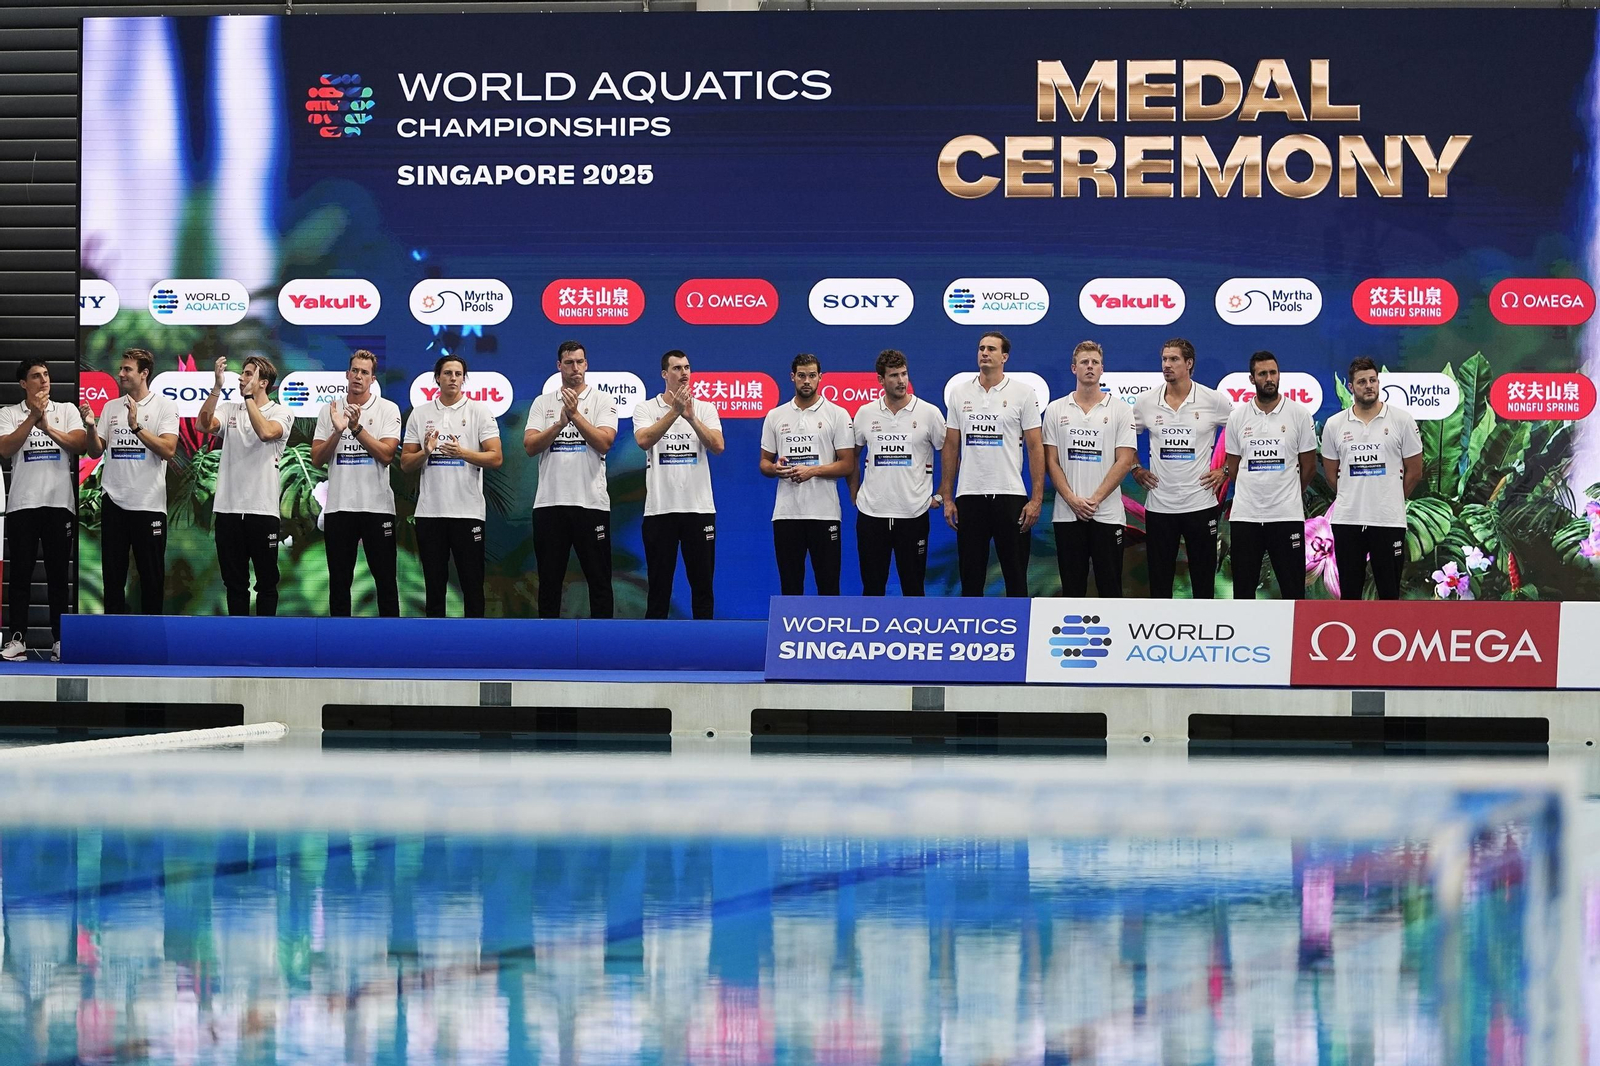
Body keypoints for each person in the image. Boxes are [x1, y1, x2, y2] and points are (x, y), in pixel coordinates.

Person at [938, 331, 1044, 597]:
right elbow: (951, 446)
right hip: (970, 496)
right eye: (981, 348)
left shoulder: (1023, 393)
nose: (984, 353)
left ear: (1004, 356)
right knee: (971, 578)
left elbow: (1035, 447)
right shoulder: (960, 393)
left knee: (1016, 578)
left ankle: (1019, 634)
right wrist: (948, 497)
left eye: (992, 349)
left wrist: (1037, 499)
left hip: (1010, 495)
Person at [400, 354, 503, 617]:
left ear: (464, 379)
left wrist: (462, 453)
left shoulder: (479, 411)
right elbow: (406, 463)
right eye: (447, 373)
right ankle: (434, 645)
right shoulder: (421, 414)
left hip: (467, 513)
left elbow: (495, 457)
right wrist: (425, 451)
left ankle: (476, 641)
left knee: (472, 584)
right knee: (434, 586)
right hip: (430, 514)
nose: (453, 378)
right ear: (437, 378)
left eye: (458, 374)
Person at [1131, 338, 1234, 598]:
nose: (1167, 365)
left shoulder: (1213, 400)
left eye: (1174, 359)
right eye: (1164, 359)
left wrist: (1226, 471)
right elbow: (1122, 437)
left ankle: (1204, 631)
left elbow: (1244, 433)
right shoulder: (1145, 402)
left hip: (1200, 505)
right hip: (1159, 507)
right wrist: (1135, 467)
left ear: (1189, 363)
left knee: (1203, 582)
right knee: (1160, 582)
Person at [0, 357, 86, 660]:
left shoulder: (66, 410)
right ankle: (18, 639)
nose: (44, 380)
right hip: (23, 504)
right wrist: (31, 417)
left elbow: (80, 444)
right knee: (20, 575)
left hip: (59, 504)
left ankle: (60, 641)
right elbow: (5, 448)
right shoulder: (9, 413)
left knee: (58, 576)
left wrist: (47, 427)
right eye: (36, 376)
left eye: (47, 375)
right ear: (24, 384)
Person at [82, 348, 179, 615]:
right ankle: (112, 639)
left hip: (149, 504)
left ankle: (152, 641)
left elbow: (168, 450)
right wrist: (91, 426)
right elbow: (95, 451)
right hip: (113, 502)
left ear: (144, 373)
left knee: (151, 578)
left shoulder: (165, 407)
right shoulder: (111, 407)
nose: (121, 373)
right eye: (121, 368)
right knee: (113, 579)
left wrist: (136, 427)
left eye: (127, 369)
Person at [525, 340, 618, 618]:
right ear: (559, 366)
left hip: (591, 504)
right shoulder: (543, 403)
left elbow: (604, 442)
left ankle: (602, 644)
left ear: (586, 364)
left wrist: (575, 415)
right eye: (569, 362)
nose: (575, 368)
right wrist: (559, 423)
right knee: (549, 581)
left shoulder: (603, 400)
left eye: (579, 362)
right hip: (550, 504)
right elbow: (530, 446)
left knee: (599, 580)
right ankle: (548, 644)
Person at [197, 355, 294, 616]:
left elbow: (265, 433)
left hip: (262, 512)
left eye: (249, 374)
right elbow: (202, 424)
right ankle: (238, 642)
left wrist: (249, 399)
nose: (241, 378)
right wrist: (216, 388)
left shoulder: (281, 412)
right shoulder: (229, 409)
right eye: (242, 373)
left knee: (266, 583)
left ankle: (266, 641)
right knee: (234, 583)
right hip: (228, 511)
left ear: (263, 383)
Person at [1319, 357, 1423, 600]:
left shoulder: (1401, 420)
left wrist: (1393, 499)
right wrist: (1352, 496)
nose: (1369, 386)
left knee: (1389, 593)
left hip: (1388, 521)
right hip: (1348, 521)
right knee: (1350, 595)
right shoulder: (1335, 424)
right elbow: (1331, 473)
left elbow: (1415, 470)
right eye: (1362, 381)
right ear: (1351, 387)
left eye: (1373, 380)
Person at [310, 349, 402, 617]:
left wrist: (357, 429)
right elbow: (317, 458)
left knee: (385, 581)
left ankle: (390, 642)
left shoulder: (387, 409)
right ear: (347, 374)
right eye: (355, 371)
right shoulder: (330, 410)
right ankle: (338, 646)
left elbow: (386, 455)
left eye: (365, 372)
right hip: (339, 508)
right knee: (339, 583)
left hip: (377, 509)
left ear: (373, 379)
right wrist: (338, 431)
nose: (358, 377)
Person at [1041, 341, 1136, 597]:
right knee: (1072, 590)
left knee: (1110, 588)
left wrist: (1093, 500)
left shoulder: (1120, 409)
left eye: (1095, 362)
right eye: (1084, 362)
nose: (1090, 367)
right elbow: (1051, 461)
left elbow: (1125, 460)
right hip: (1067, 514)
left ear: (1102, 369)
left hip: (1106, 514)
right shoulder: (1055, 409)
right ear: (1074, 368)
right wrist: (1073, 500)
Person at [633, 349, 723, 618]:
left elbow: (718, 446)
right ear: (664, 374)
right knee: (659, 587)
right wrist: (675, 412)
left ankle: (705, 645)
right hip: (660, 511)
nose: (683, 373)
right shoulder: (645, 408)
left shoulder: (705, 409)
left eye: (686, 367)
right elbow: (644, 440)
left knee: (702, 585)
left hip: (699, 510)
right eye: (676, 368)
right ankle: (655, 650)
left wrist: (692, 417)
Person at [850, 349, 945, 596]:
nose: (901, 380)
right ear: (881, 380)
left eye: (904, 374)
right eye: (894, 375)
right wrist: (855, 494)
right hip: (872, 514)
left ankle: (915, 635)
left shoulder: (929, 412)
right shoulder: (865, 413)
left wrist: (943, 492)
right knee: (872, 588)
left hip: (913, 514)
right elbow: (851, 454)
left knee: (914, 588)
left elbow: (949, 451)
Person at [1224, 351, 1317, 599]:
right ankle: (1246, 636)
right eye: (1262, 374)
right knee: (1243, 590)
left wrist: (1289, 495)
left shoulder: (1299, 414)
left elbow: (1308, 466)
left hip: (1286, 516)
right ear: (1252, 378)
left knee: (1293, 589)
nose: (1269, 378)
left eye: (1273, 373)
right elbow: (1233, 466)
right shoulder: (1237, 417)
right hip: (1246, 517)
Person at [760, 354, 855, 596]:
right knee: (790, 587)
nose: (807, 381)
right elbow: (764, 463)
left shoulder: (837, 414)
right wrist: (775, 468)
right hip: (786, 514)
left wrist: (812, 471)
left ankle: (829, 635)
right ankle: (791, 635)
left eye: (812, 376)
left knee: (828, 586)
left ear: (820, 378)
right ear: (792, 377)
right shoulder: (775, 415)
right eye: (801, 375)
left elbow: (847, 464)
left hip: (824, 513)